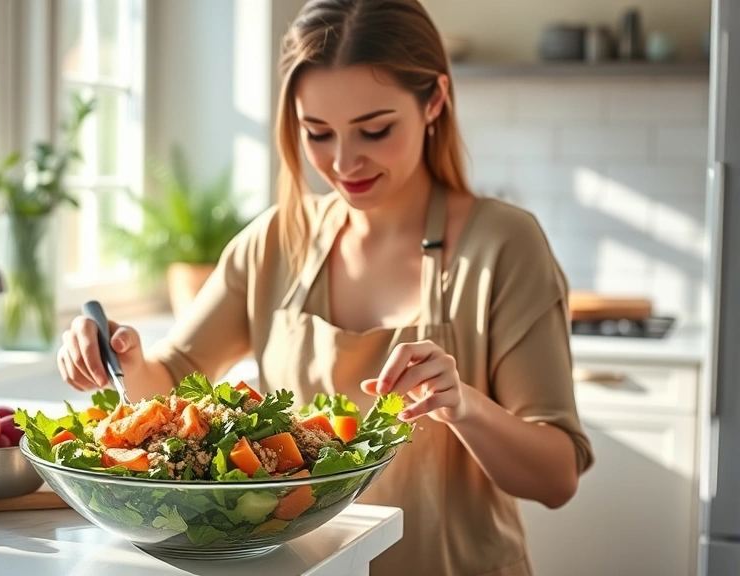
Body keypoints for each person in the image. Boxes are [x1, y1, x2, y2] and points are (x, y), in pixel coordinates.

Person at [57, 0, 594, 574]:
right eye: (317, 132)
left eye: (375, 130)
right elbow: (169, 379)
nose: (344, 162)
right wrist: (120, 354)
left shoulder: (505, 244)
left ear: (434, 100)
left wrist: (463, 406)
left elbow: (556, 477)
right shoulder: (276, 241)